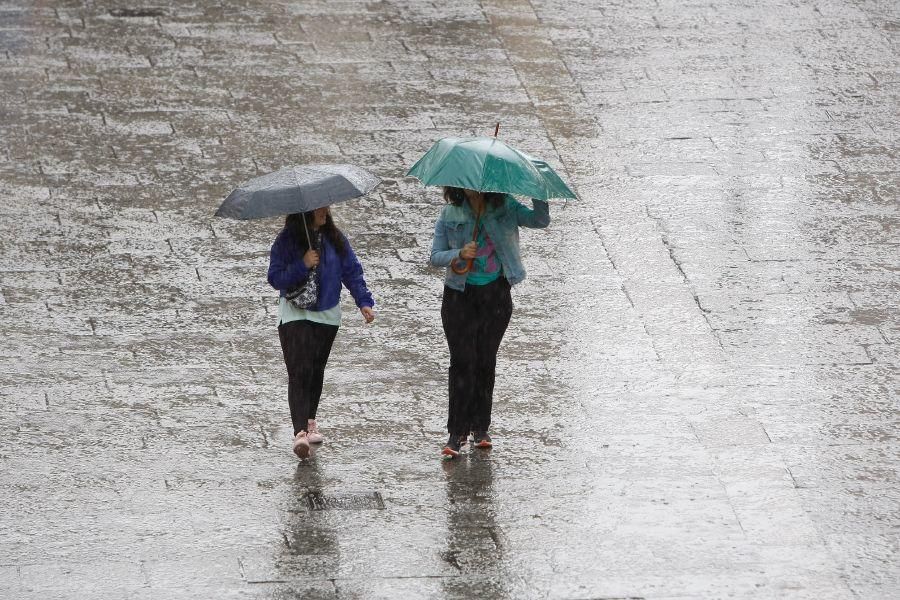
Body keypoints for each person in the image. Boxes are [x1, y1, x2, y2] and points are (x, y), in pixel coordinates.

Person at [430, 187, 550, 458]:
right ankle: (456, 431)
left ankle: (480, 427)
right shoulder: (450, 213)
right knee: (462, 362)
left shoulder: (506, 207)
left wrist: (538, 192)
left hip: (495, 295)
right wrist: (458, 253)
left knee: (485, 361)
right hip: (458, 296)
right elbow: (435, 255)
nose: (477, 188)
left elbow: (540, 221)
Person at [268, 207, 375, 459]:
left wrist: (364, 302)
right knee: (299, 370)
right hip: (294, 312)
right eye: (320, 208)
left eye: (326, 207)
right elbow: (275, 278)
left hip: (327, 313)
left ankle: (310, 419)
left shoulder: (336, 239)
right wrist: (302, 264)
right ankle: (300, 432)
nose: (325, 212)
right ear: (304, 212)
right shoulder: (286, 240)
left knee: (315, 370)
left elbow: (352, 271)